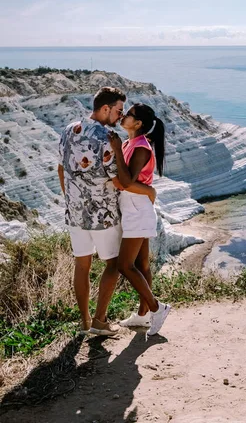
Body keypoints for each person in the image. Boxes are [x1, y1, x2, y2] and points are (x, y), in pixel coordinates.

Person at [58, 87, 156, 336]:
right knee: (113, 265)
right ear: (105, 109)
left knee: (82, 266)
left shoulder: (70, 129)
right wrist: (148, 192)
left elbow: (61, 169)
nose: (120, 116)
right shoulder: (107, 138)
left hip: (75, 214)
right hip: (104, 215)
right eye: (118, 111)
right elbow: (120, 181)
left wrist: (71, 198)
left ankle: (84, 323)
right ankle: (100, 321)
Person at [108, 102, 171, 336]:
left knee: (125, 265)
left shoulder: (141, 147)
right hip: (133, 206)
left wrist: (115, 150)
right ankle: (143, 316)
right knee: (142, 265)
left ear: (138, 123)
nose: (124, 115)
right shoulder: (129, 143)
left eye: (130, 114)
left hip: (137, 209)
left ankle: (157, 307)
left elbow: (126, 181)